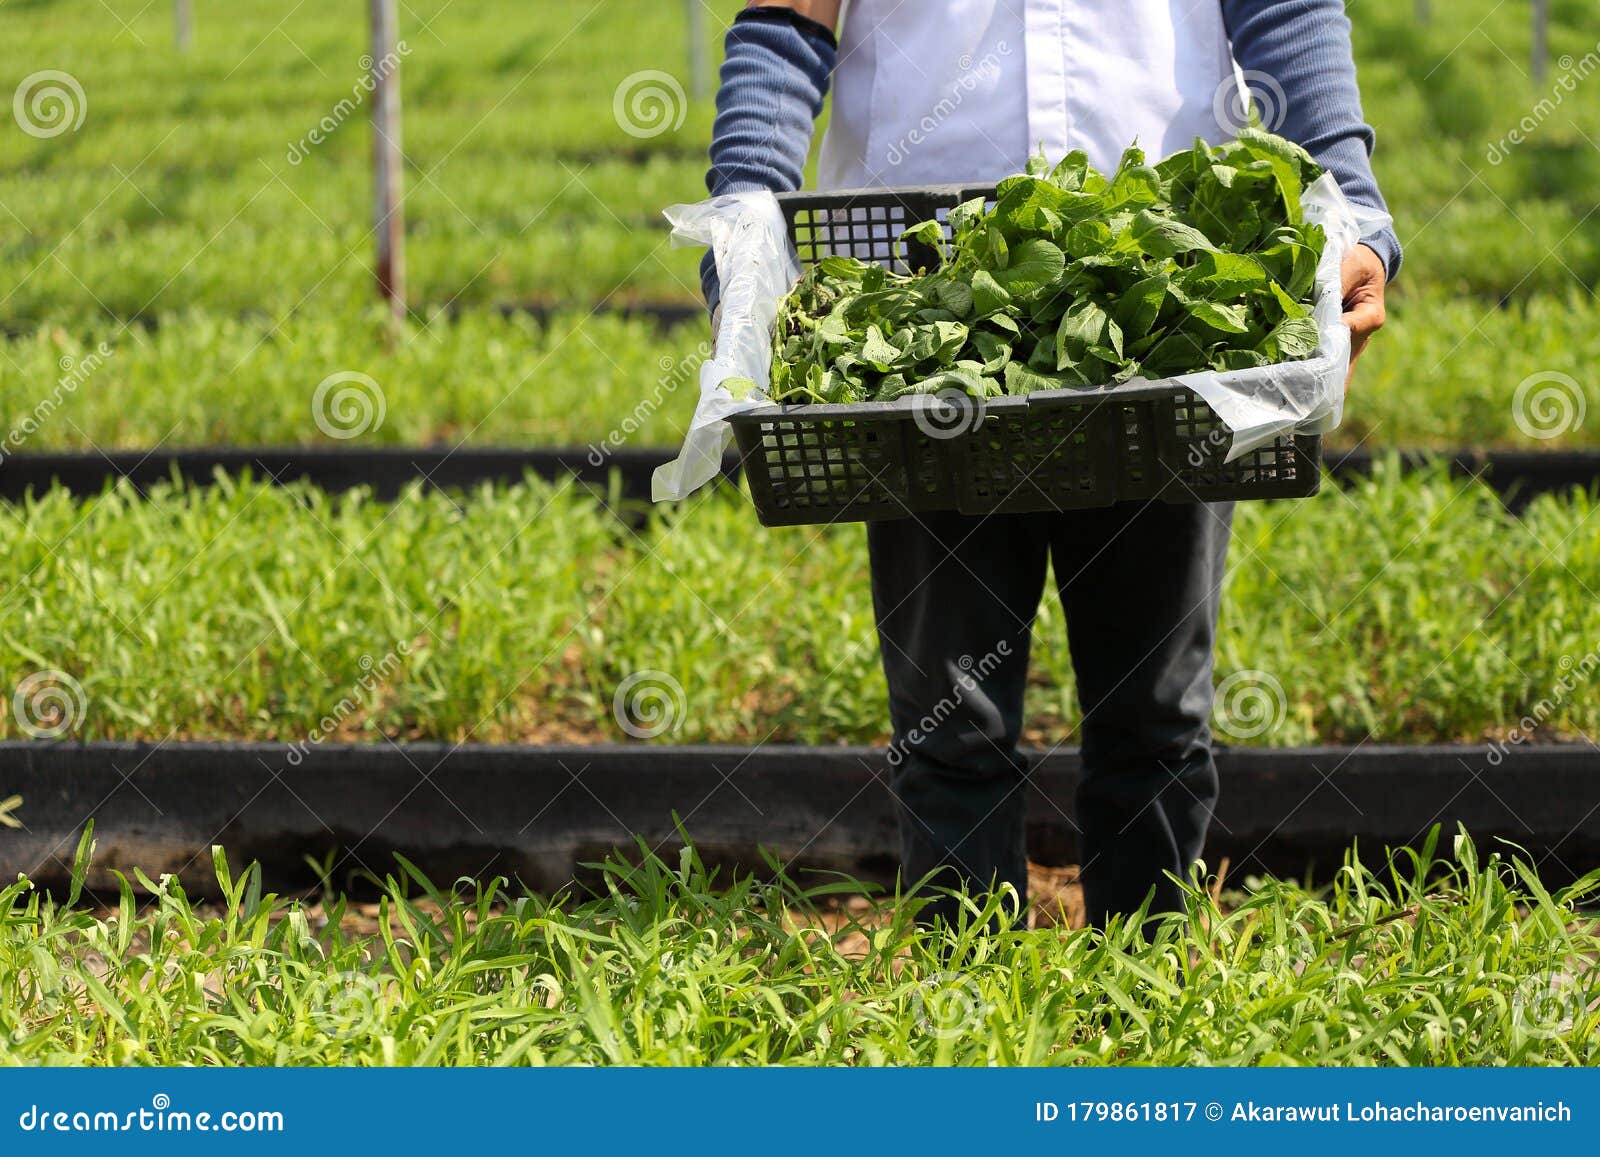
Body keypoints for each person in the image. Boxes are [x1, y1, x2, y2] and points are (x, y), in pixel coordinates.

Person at [701, 0, 1399, 928]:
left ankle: (1143, 1015)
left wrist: (1354, 205)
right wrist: (744, 216)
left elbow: (1287, 10)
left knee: (1156, 716)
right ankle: (967, 1023)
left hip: (1166, 294)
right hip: (922, 307)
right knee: (952, 722)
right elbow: (786, 20)